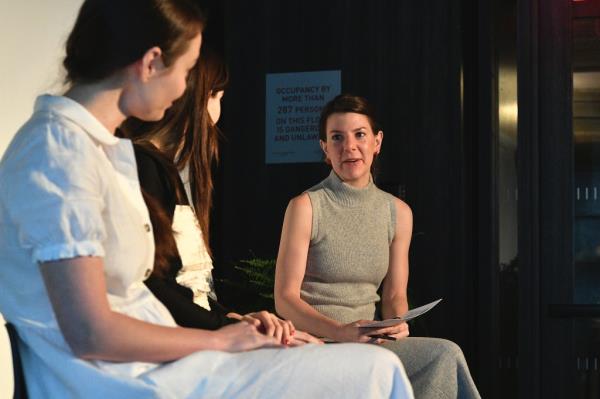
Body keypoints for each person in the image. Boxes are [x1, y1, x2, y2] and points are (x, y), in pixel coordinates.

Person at [0, 2, 413, 397]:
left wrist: (235, 331)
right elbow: (90, 332)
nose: (184, 89)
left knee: (373, 368)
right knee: (376, 370)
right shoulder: (59, 154)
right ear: (150, 63)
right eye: (186, 70)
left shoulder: (95, 151)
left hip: (163, 366)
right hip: (128, 380)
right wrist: (221, 340)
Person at [274, 94, 481, 399]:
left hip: (370, 344)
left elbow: (395, 295)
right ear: (325, 149)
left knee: (443, 354)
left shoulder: (398, 213)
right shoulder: (305, 207)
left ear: (377, 142)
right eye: (337, 138)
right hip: (317, 342)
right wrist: (342, 332)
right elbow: (285, 300)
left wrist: (397, 325)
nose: (349, 147)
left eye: (360, 135)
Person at [120, 49, 316, 345]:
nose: (218, 111)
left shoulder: (166, 169)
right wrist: (226, 327)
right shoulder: (144, 166)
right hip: (181, 344)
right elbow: (153, 286)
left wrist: (236, 318)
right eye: (218, 97)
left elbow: (191, 290)